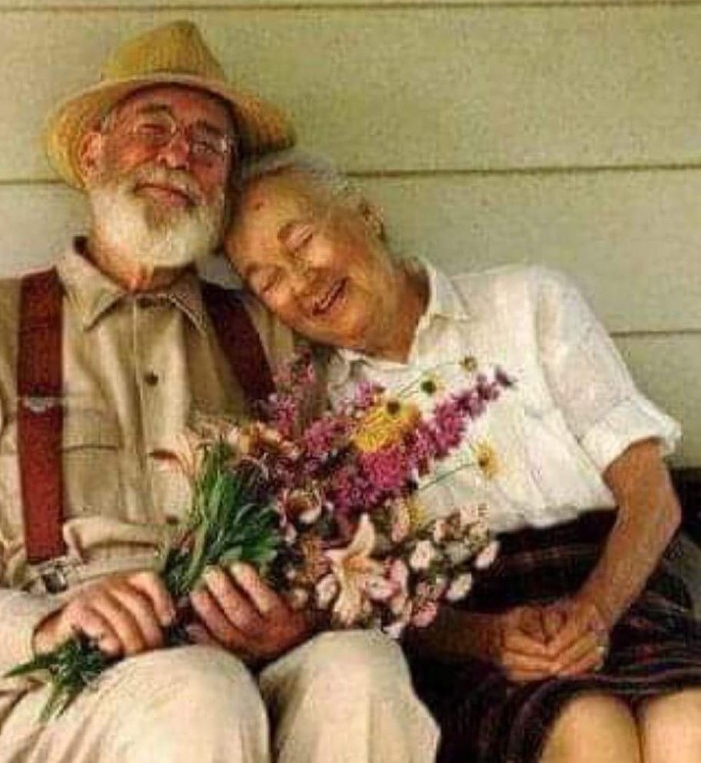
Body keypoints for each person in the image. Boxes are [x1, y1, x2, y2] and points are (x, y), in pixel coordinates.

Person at [0, 22, 439, 763]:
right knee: (201, 692)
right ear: (93, 153)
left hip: (254, 669)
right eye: (154, 129)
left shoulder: (266, 334)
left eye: (210, 145)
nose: (180, 156)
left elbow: (339, 525)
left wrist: (300, 617)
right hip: (71, 695)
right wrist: (48, 627)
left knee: (362, 670)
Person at [223, 152, 701, 763]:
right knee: (590, 729)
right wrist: (490, 638)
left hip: (622, 591)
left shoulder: (528, 301)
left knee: (688, 726)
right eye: (268, 280)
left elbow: (652, 497)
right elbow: (378, 598)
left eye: (303, 241)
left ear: (367, 214)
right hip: (480, 633)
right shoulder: (319, 413)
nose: (301, 280)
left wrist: (595, 611)